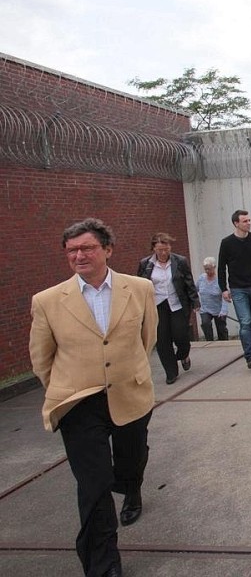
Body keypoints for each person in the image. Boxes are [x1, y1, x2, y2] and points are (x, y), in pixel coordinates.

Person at [29, 218, 157, 577]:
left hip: (130, 393)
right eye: (71, 250)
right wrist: (67, 388)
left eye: (87, 248)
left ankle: (131, 488)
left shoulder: (140, 288)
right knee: (94, 486)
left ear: (108, 250)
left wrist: (127, 372)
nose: (78, 255)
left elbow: (147, 339)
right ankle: (102, 565)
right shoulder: (48, 301)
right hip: (79, 404)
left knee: (131, 461)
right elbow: (41, 359)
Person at [137, 233, 199, 385]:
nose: (163, 253)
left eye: (166, 249)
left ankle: (184, 355)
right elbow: (139, 285)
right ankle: (171, 372)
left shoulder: (180, 261)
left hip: (177, 303)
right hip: (157, 305)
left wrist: (195, 300)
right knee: (162, 340)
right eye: (159, 250)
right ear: (154, 249)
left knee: (181, 335)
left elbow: (189, 282)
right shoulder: (146, 264)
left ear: (170, 247)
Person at [217, 210, 251, 369]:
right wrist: (224, 289)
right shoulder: (227, 243)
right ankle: (250, 356)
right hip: (238, 288)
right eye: (245, 221)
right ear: (236, 223)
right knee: (245, 321)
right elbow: (221, 267)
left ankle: (250, 346)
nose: (248, 223)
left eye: (249, 220)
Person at [196, 256, 229, 341]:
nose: (207, 271)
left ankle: (224, 345)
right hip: (205, 308)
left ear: (214, 267)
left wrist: (223, 311)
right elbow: (195, 290)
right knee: (205, 323)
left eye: (209, 269)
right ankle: (209, 341)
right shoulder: (201, 278)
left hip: (218, 310)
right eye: (205, 269)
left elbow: (225, 296)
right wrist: (195, 303)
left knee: (221, 330)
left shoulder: (219, 280)